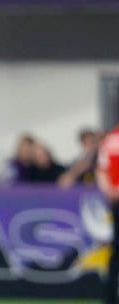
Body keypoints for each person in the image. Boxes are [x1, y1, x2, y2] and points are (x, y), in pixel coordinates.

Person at [97, 124, 119, 304]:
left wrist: (110, 190)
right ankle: (110, 298)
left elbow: (101, 171)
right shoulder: (112, 138)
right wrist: (111, 191)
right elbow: (101, 171)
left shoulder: (111, 137)